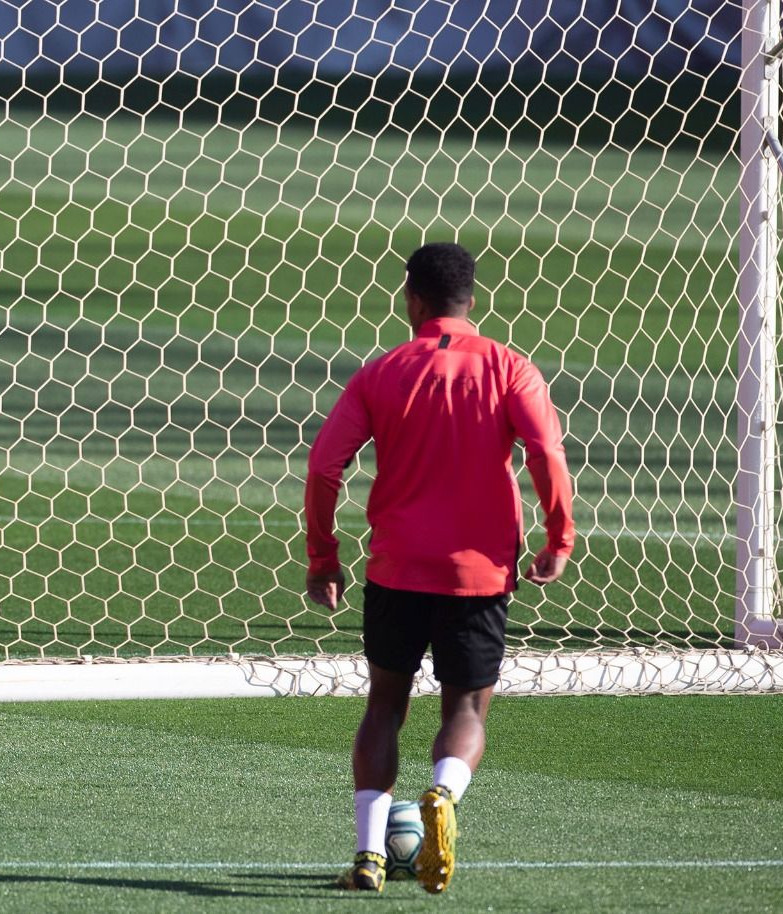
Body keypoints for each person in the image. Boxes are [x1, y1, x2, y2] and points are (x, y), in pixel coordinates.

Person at [303, 243, 574, 893]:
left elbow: (323, 465)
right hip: (480, 573)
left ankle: (369, 857)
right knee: (468, 709)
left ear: (413, 301)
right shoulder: (510, 367)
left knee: (384, 707)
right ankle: (444, 798)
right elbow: (544, 451)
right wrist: (557, 537)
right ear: (471, 300)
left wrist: (323, 556)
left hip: (397, 568)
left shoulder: (382, 372)